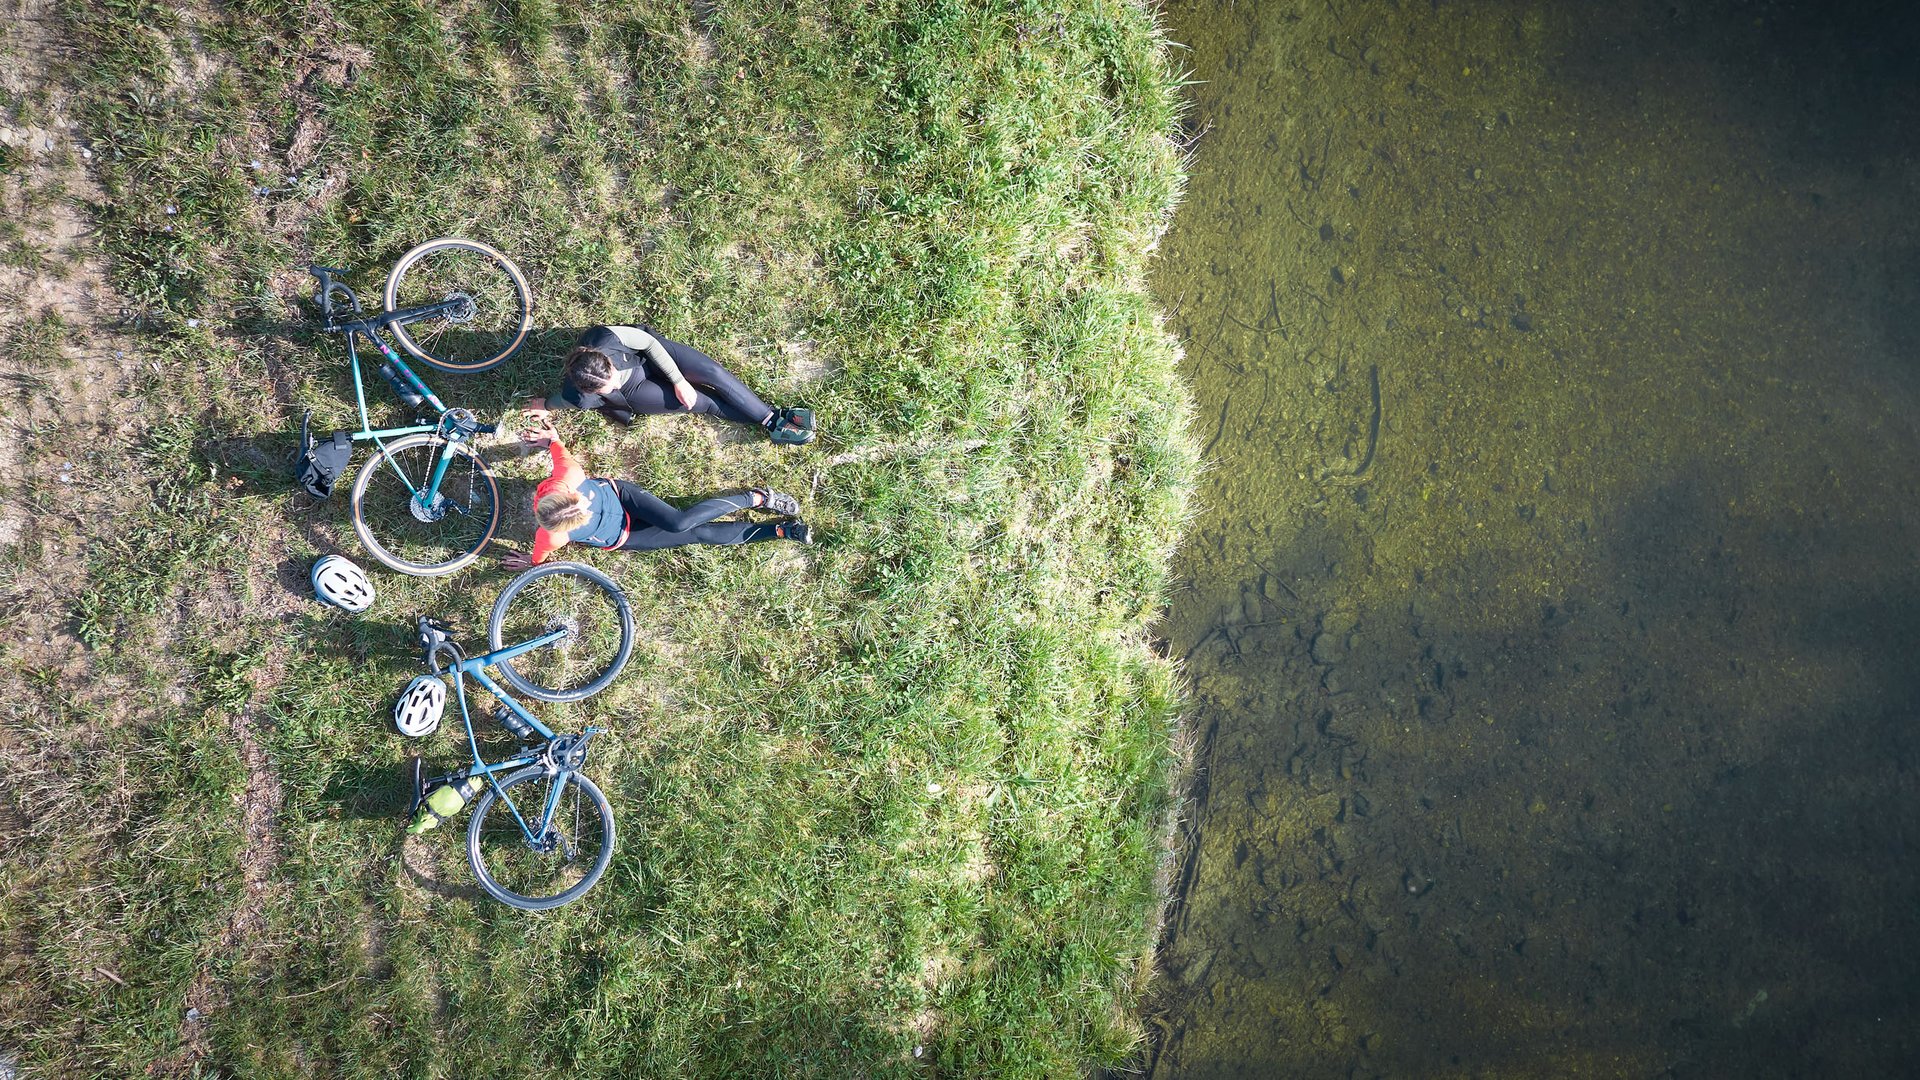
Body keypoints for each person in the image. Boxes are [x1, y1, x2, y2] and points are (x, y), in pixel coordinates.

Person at [498, 418, 811, 570]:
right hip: (624, 535)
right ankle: (781, 531)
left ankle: (755, 498)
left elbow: (558, 448)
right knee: (696, 534)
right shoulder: (557, 517)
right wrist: (552, 439)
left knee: (678, 522)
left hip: (622, 497)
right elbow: (538, 558)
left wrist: (550, 438)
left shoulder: (567, 484)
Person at [525, 324, 815, 444]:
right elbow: (561, 401)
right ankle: (774, 422)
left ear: (608, 361)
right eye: (604, 390)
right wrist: (545, 405)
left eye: (610, 377)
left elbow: (649, 343)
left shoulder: (605, 338)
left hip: (649, 356)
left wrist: (678, 379)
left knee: (713, 373)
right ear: (590, 392)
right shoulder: (577, 396)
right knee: (703, 402)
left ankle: (773, 418)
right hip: (636, 391)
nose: (611, 386)